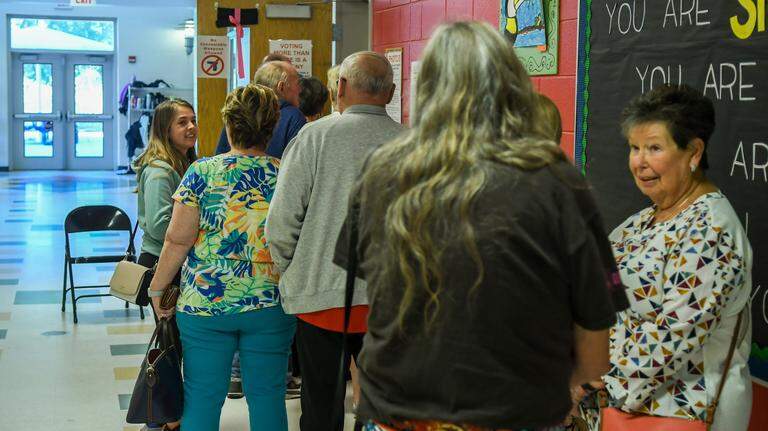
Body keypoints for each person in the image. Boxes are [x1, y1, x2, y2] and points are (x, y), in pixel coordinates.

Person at [332, 21, 627, 431]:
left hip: (397, 410)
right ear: (513, 87)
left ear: (426, 88)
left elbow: (368, 280)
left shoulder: (382, 173)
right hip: (518, 410)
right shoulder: (557, 181)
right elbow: (596, 351)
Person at [595, 85, 752, 430]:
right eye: (634, 148)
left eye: (654, 148)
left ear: (694, 151)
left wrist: (591, 374)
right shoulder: (643, 220)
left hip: (678, 413)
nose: (639, 162)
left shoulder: (710, 231)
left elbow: (668, 343)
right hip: (624, 409)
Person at [265, 51, 404, 431]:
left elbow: (281, 220)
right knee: (389, 410)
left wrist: (288, 269)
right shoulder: (413, 144)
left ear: (339, 87)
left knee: (321, 406)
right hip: (390, 306)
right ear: (390, 92)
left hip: (320, 299)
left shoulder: (313, 137)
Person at [148, 83, 296, 431]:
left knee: (201, 395)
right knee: (268, 396)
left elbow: (177, 240)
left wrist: (157, 288)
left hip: (205, 304)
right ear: (272, 127)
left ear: (228, 124)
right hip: (271, 302)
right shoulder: (286, 172)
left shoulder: (202, 171)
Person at [132, 98, 197, 431]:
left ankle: (170, 415)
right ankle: (166, 420)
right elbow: (159, 226)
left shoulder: (182, 162)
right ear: (165, 129)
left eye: (193, 120)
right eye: (182, 122)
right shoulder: (160, 169)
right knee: (170, 346)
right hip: (163, 263)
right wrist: (198, 224)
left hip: (175, 262)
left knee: (176, 342)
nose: (191, 128)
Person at [216, 61, 305, 156]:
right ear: (281, 87)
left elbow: (220, 153)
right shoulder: (294, 116)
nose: (300, 89)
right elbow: (297, 163)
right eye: (298, 84)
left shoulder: (239, 111)